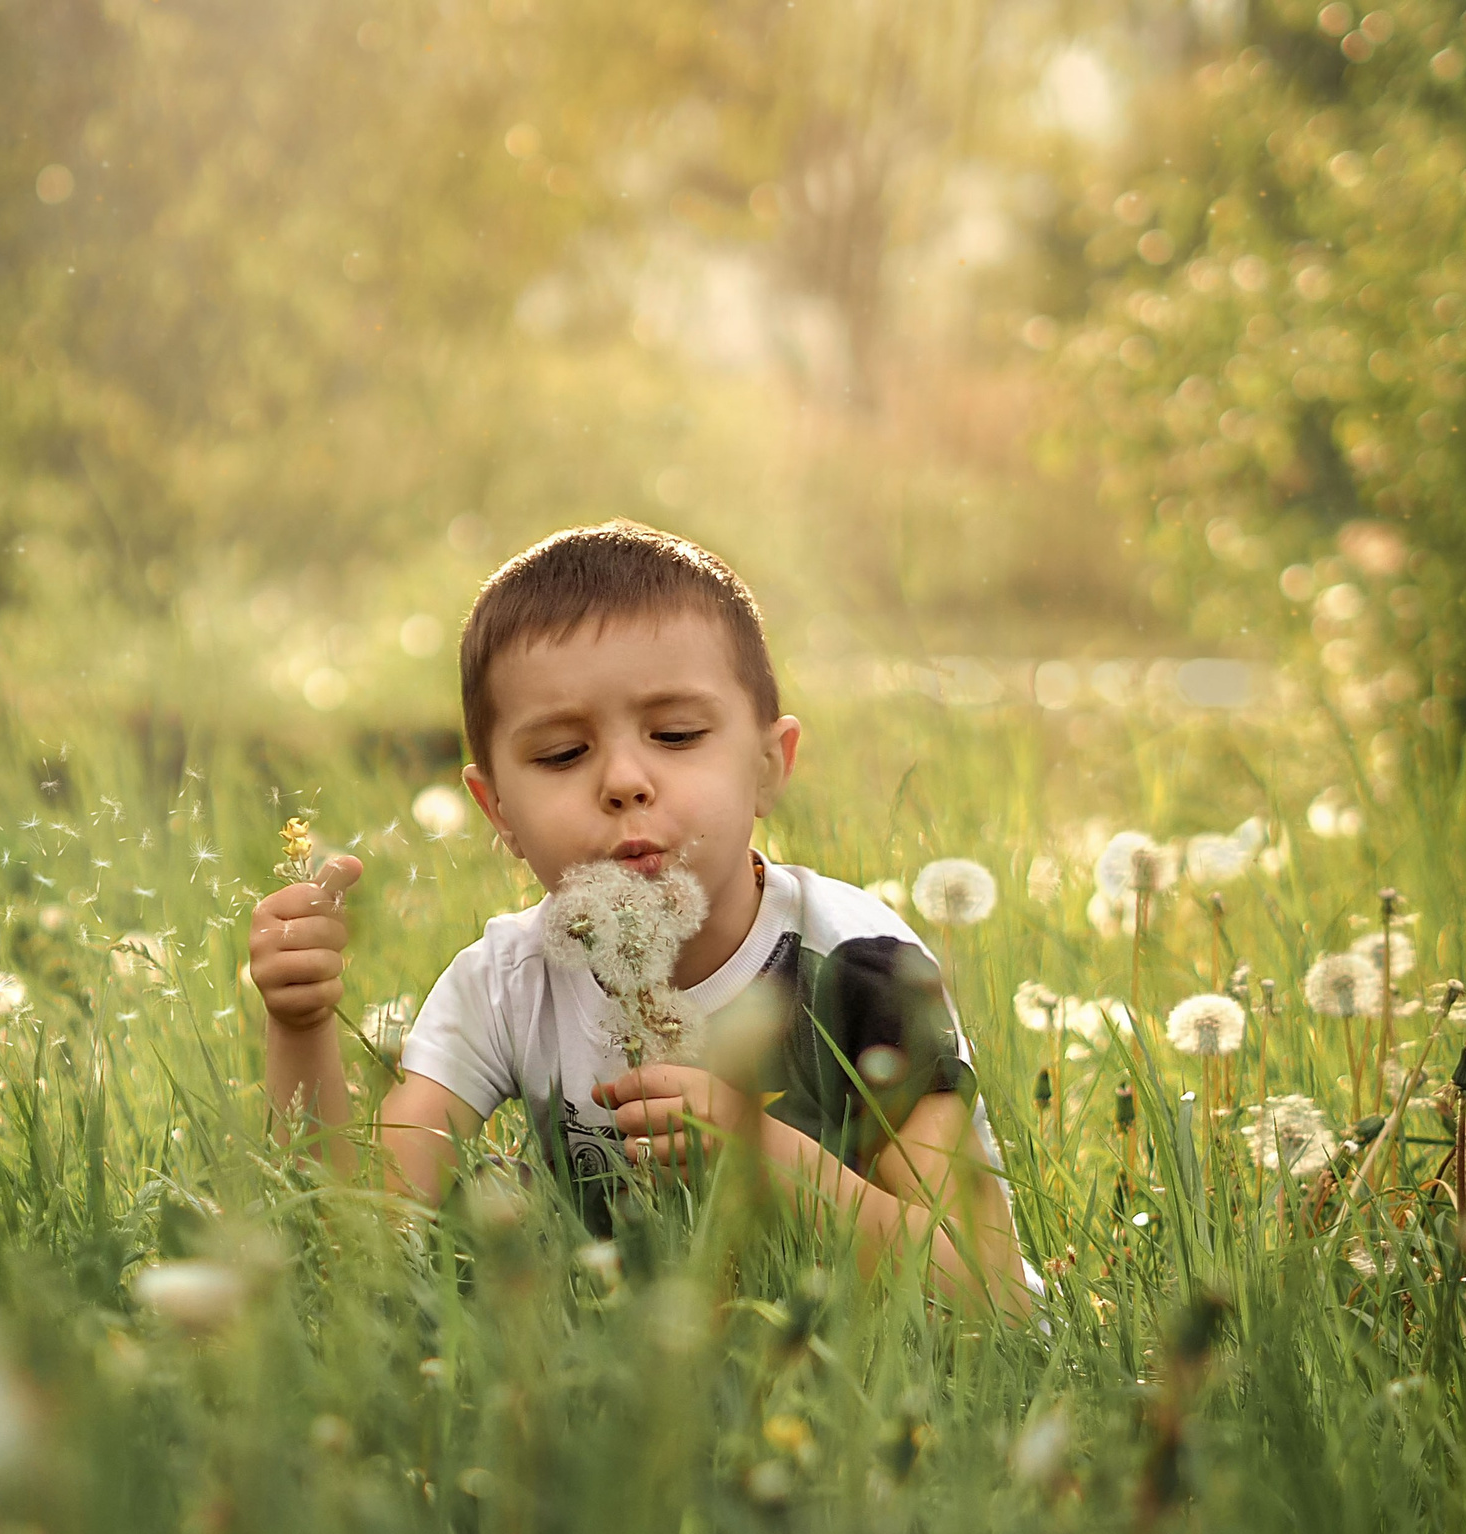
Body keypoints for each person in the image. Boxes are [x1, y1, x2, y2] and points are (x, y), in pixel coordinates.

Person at [246, 520, 1032, 1317]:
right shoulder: (506, 984)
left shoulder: (863, 972)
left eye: (676, 735)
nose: (625, 780)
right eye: (561, 754)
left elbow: (989, 1287)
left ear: (768, 767)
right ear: (499, 811)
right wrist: (303, 1026)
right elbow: (353, 1239)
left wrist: (760, 1156)